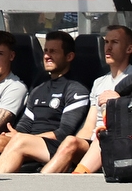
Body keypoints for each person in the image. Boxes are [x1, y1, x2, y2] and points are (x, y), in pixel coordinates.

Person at [0, 32, 90, 173]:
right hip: (29, 142)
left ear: (69, 56)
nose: (47, 56)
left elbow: (63, 133)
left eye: (53, 51)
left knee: (20, 141)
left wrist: (23, 137)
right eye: (45, 51)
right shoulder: (38, 90)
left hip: (56, 145)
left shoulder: (76, 89)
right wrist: (11, 135)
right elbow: (23, 126)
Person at [41, 25, 132, 174]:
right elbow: (89, 125)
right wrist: (71, 144)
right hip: (94, 140)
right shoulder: (99, 82)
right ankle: (38, 187)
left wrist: (119, 101)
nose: (108, 47)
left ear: (129, 49)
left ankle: (76, 181)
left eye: (114, 42)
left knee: (101, 138)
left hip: (118, 140)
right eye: (106, 42)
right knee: (70, 141)